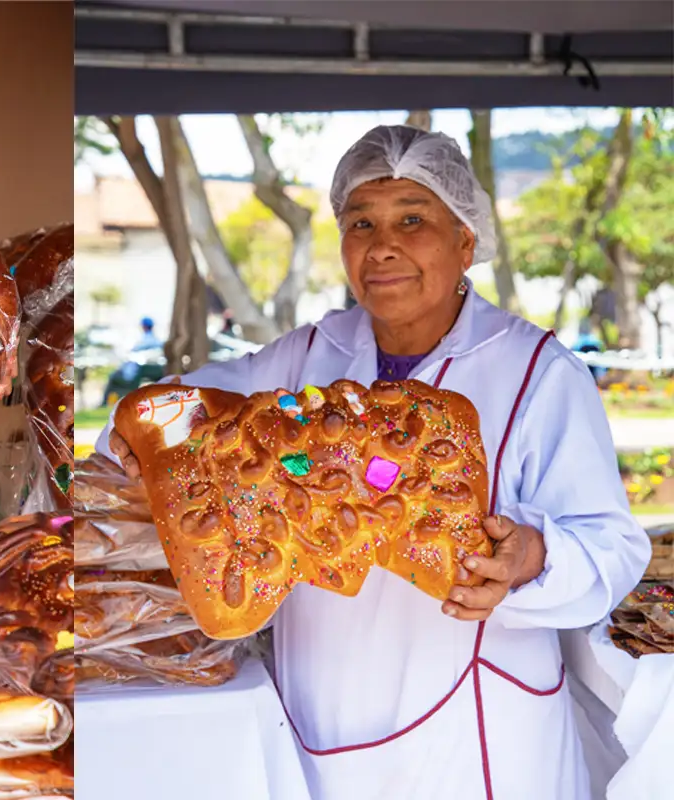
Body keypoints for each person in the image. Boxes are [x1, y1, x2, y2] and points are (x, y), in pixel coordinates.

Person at [100, 126, 650, 799]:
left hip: (483, 732)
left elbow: (613, 547)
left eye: (412, 220)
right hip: (320, 717)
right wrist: (137, 449)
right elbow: (160, 416)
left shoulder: (539, 371)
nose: (383, 244)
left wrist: (532, 558)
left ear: (465, 242)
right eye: (361, 222)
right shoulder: (305, 358)